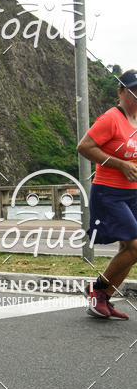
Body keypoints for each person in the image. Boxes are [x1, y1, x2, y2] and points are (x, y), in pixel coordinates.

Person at [77, 69, 137, 319]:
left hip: (133, 193)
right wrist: (119, 164)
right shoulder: (111, 118)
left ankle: (104, 298)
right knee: (135, 246)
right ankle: (97, 289)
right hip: (109, 193)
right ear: (121, 92)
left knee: (128, 248)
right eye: (133, 90)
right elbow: (84, 147)